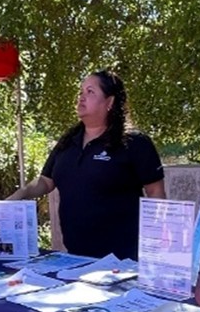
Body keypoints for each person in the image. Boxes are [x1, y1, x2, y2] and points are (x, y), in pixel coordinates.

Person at [9, 70, 165, 259]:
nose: (81, 98)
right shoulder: (68, 141)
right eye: (81, 92)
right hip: (75, 258)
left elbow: (156, 192)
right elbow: (46, 181)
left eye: (90, 92)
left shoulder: (134, 143)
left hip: (122, 261)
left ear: (109, 102)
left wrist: (156, 246)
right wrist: (22, 193)